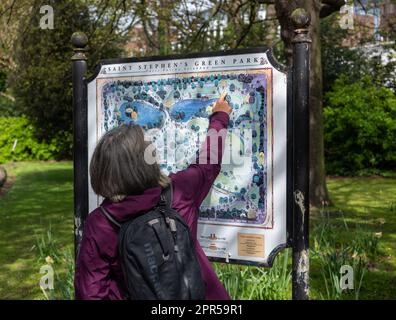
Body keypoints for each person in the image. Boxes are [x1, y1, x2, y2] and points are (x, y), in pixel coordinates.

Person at [75, 92, 232, 300]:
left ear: (101, 170)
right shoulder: (179, 191)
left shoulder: (101, 223)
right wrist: (220, 117)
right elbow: (208, 163)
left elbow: (90, 292)